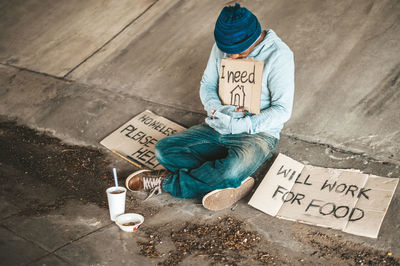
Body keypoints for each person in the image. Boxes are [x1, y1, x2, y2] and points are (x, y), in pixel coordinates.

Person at [125, 3, 294, 211]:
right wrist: (216, 109)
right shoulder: (221, 47)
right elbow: (207, 84)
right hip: (219, 125)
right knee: (164, 151)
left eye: (238, 53)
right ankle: (224, 181)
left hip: (257, 134)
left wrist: (241, 126)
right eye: (227, 52)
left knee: (231, 170)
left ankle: (168, 182)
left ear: (253, 38)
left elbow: (282, 109)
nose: (231, 57)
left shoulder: (279, 55)